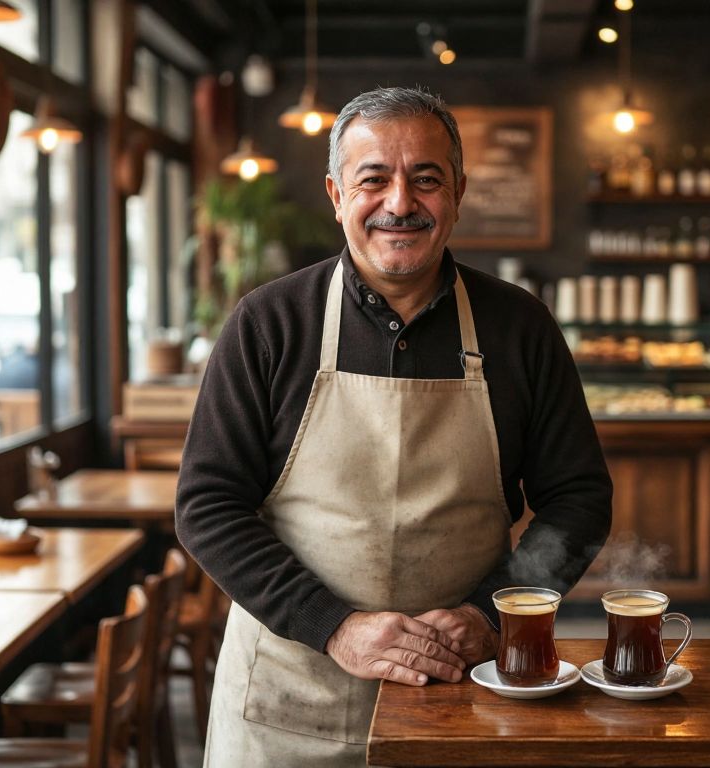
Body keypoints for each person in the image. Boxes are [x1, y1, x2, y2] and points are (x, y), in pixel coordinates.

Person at [176, 86, 612, 766]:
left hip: (460, 694)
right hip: (287, 706)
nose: (401, 203)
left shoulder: (518, 328)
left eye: (426, 180)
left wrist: (489, 614)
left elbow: (579, 501)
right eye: (373, 179)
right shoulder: (268, 325)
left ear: (459, 192)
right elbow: (207, 505)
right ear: (335, 192)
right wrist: (335, 627)